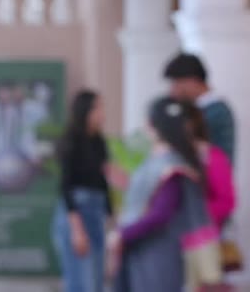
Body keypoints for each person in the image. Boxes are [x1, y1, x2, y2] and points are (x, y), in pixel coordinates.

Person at [108, 97, 220, 291]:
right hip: (151, 253)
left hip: (157, 255)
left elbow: (160, 214)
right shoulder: (175, 161)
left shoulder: (172, 166)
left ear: (152, 126)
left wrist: (122, 235)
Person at [52, 90, 113, 292]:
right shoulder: (72, 140)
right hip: (77, 215)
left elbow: (102, 182)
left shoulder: (99, 142)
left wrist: (112, 218)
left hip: (96, 213)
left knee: (96, 283)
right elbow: (65, 186)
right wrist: (77, 230)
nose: (102, 113)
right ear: (85, 110)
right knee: (81, 282)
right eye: (98, 107)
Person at [164, 53, 235, 164]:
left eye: (176, 83)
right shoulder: (204, 109)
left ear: (192, 81)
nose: (173, 91)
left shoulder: (216, 112)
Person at [184, 103, 235, 229]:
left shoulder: (211, 157)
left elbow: (226, 202)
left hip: (201, 233)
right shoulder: (168, 156)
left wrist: (191, 214)